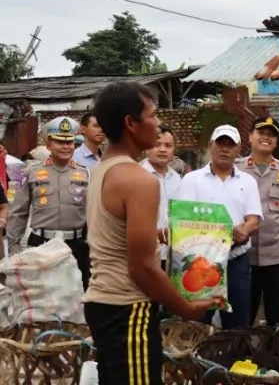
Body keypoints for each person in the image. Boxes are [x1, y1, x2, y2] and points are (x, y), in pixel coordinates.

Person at [82, 82, 214, 385]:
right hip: (128, 308)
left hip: (103, 303)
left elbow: (108, 234)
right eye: (153, 115)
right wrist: (187, 309)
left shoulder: (102, 169)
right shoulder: (139, 179)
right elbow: (142, 267)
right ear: (130, 123)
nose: (158, 123)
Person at [178, 124, 263, 328]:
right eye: (220, 143)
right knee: (197, 324)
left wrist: (244, 230)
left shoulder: (248, 181)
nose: (225, 149)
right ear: (210, 145)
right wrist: (225, 233)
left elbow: (254, 219)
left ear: (238, 149)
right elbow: (184, 222)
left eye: (230, 145)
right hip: (200, 264)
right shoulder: (192, 180)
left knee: (238, 327)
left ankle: (234, 360)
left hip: (236, 263)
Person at [7, 117, 91, 289]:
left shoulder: (86, 174)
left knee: (75, 297)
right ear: (48, 145)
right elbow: (18, 212)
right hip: (41, 244)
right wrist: (14, 248)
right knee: (40, 296)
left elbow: (93, 213)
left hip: (75, 246)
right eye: (60, 142)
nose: (66, 147)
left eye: (69, 142)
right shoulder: (31, 172)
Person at [235, 117, 279, 327]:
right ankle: (243, 355)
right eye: (261, 132)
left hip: (277, 257)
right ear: (250, 136)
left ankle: (274, 356)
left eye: (271, 134)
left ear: (276, 141)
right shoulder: (237, 170)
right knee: (244, 311)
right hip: (244, 254)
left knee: (276, 314)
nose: (266, 138)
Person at [141, 125, 182, 270]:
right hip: (145, 255)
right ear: (147, 147)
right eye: (157, 145)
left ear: (174, 150)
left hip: (173, 255)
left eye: (168, 145)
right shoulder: (137, 176)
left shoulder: (178, 179)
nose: (163, 149)